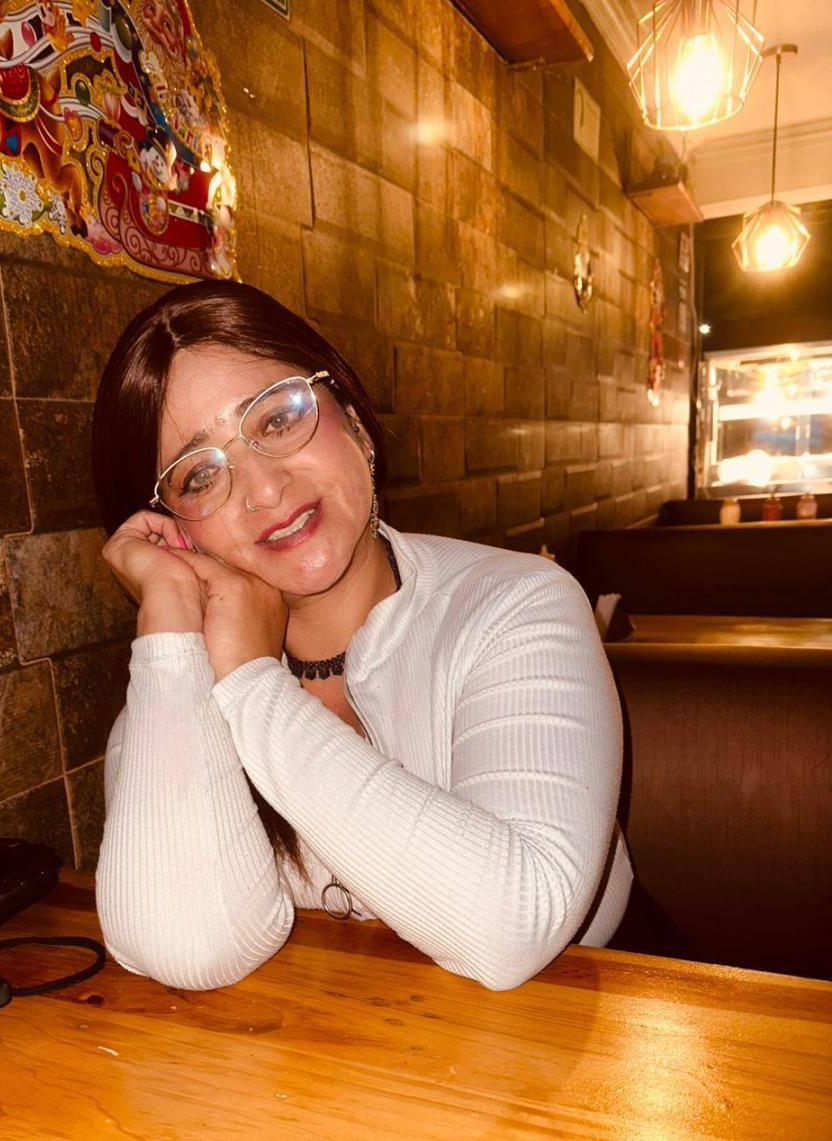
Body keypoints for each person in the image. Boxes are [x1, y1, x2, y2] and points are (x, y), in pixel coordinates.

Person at [92, 280, 633, 991]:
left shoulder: (517, 604)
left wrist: (254, 688)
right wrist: (169, 619)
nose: (264, 489)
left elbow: (511, 928)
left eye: (278, 418)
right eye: (199, 476)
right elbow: (188, 949)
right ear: (176, 531)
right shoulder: (177, 690)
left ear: (350, 417)